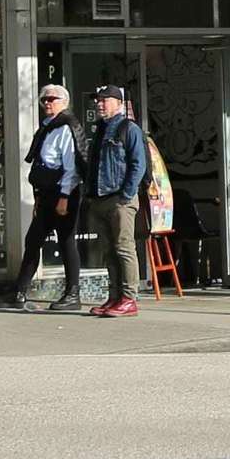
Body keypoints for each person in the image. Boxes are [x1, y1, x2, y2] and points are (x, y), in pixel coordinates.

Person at [0, 81, 83, 311]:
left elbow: (71, 167)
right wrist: (38, 197)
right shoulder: (47, 127)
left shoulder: (66, 127)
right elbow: (39, 163)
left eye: (52, 99)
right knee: (33, 240)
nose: (47, 103)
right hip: (46, 193)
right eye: (44, 99)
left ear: (64, 102)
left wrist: (64, 197)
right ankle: (19, 292)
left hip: (63, 192)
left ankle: (73, 294)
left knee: (66, 241)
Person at [83, 82, 150, 318]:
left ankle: (129, 299)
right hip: (100, 198)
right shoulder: (100, 130)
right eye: (98, 100)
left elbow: (138, 164)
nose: (99, 104)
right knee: (108, 250)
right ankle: (114, 297)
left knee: (124, 248)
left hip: (120, 199)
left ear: (119, 103)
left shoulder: (128, 128)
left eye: (105, 100)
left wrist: (126, 195)